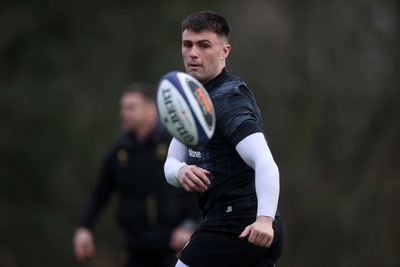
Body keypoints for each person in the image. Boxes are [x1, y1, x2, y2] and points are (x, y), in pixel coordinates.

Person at [163, 11, 284, 267]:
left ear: (225, 51)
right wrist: (181, 171)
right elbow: (172, 160)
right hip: (235, 225)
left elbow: (264, 161)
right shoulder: (192, 99)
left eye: (204, 45)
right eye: (188, 44)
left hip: (240, 225)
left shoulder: (230, 101)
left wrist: (264, 220)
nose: (193, 53)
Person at [73, 82, 200, 267]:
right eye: (122, 108)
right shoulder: (119, 152)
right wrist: (84, 227)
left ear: (151, 110)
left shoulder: (174, 145)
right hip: (135, 247)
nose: (123, 114)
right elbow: (100, 193)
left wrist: (188, 225)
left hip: (173, 245)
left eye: (131, 108)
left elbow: (197, 186)